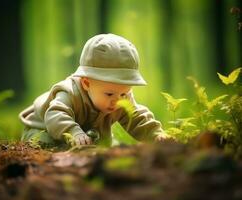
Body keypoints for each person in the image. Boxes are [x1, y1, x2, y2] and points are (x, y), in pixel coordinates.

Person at [19, 33, 164, 147]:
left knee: (100, 146)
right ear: (86, 83)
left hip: (88, 134)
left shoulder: (121, 98)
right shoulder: (69, 93)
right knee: (45, 144)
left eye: (123, 93)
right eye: (109, 94)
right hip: (44, 128)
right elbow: (55, 114)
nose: (117, 100)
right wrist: (73, 132)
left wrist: (156, 135)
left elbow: (136, 118)